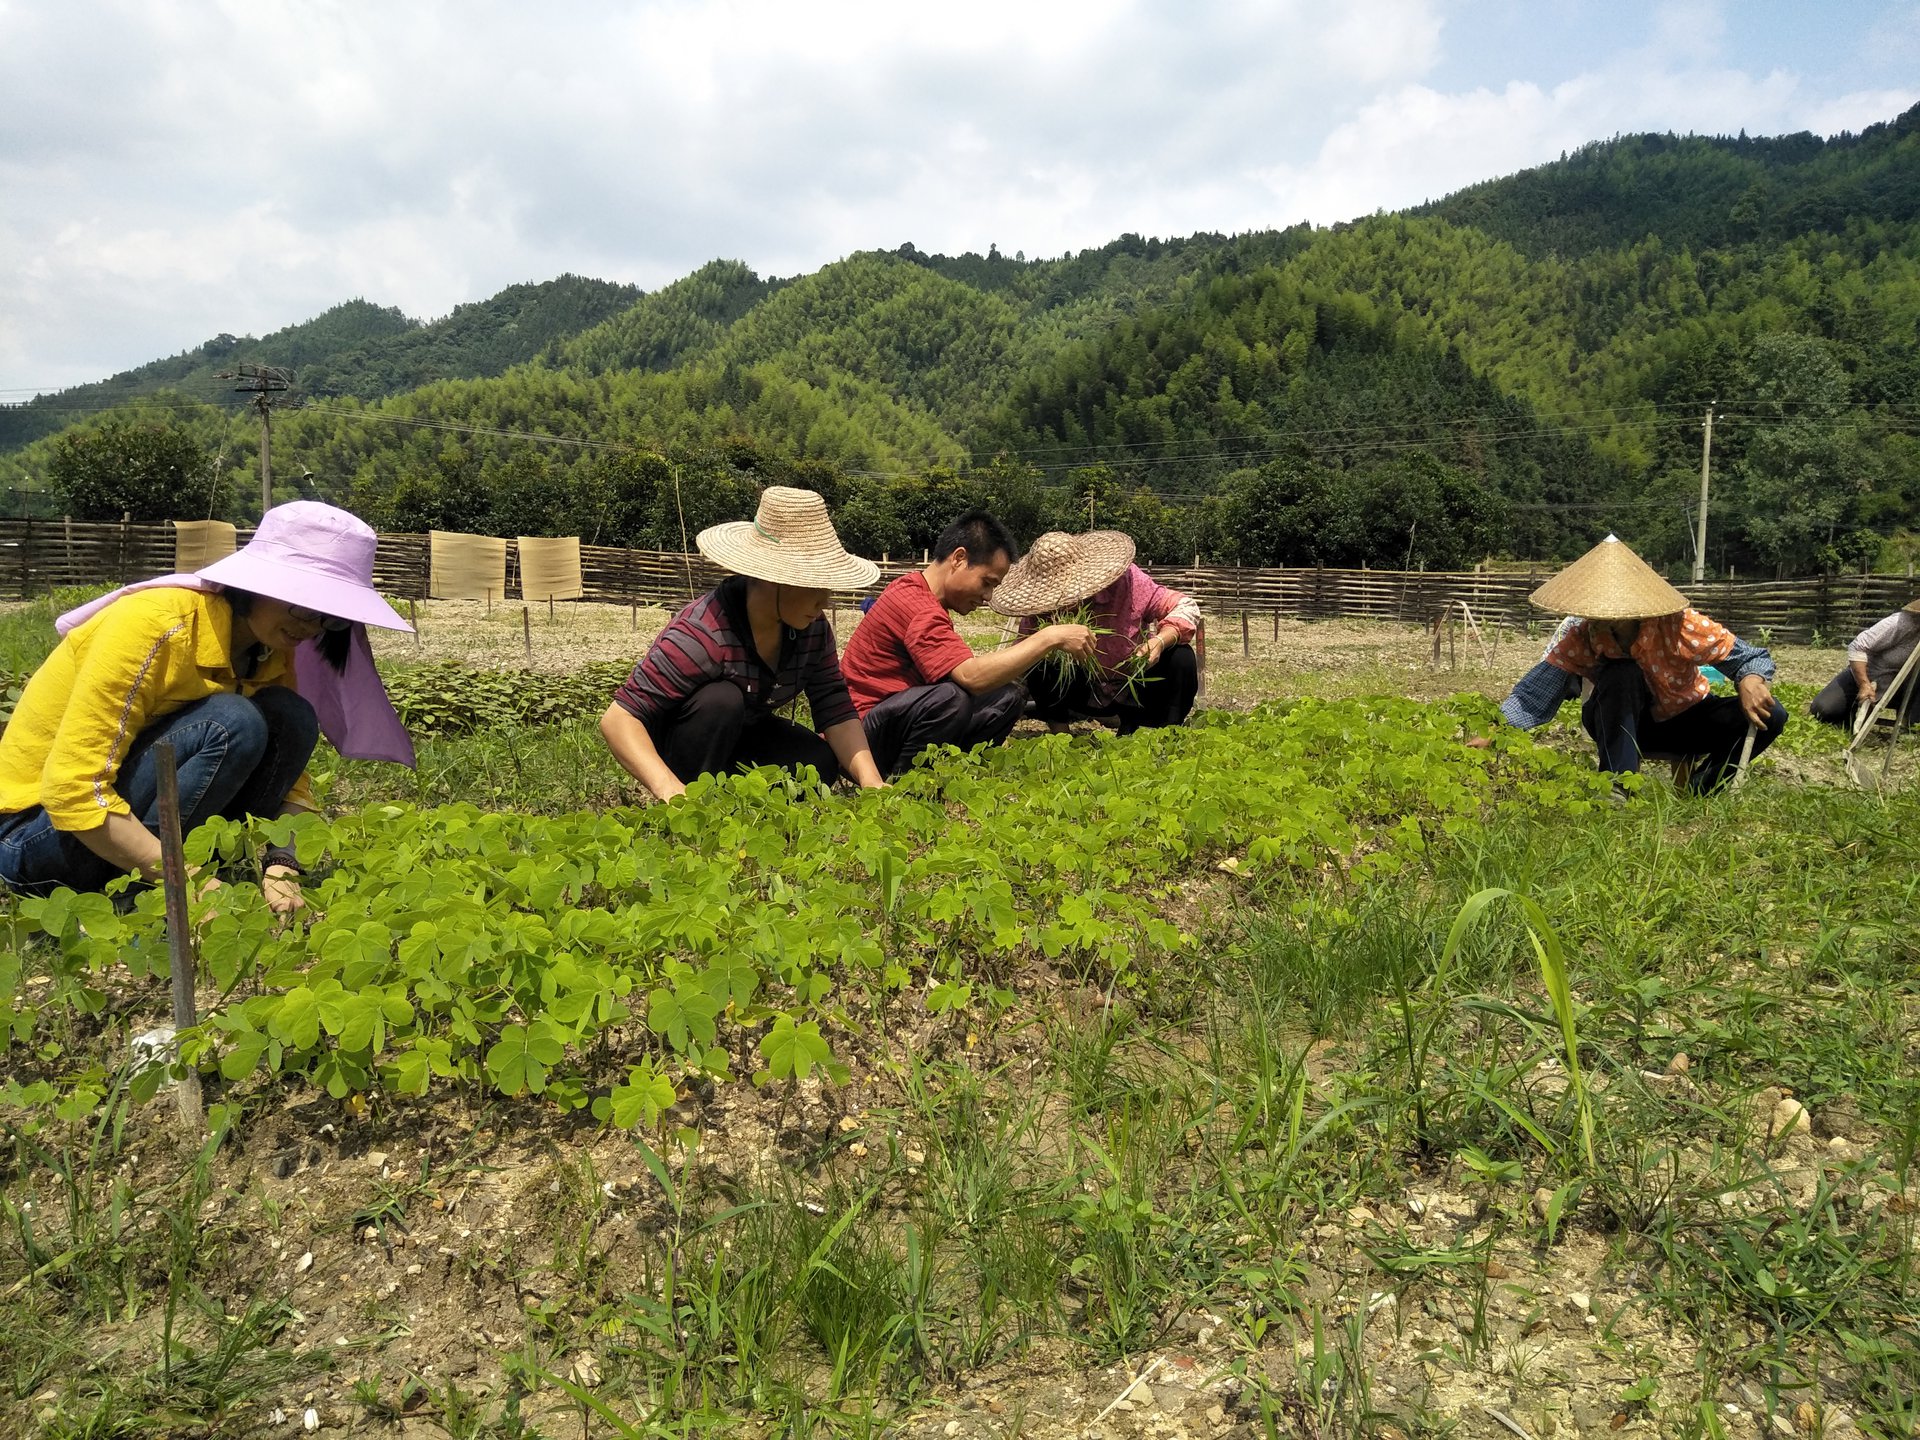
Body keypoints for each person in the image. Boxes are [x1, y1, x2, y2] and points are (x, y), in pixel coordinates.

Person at [0, 502, 417, 911]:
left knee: (292, 715)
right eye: (302, 605)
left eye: (329, 617)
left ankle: (171, 869)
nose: (310, 627)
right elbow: (71, 793)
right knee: (233, 722)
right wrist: (187, 880)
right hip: (34, 838)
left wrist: (283, 861)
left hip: (118, 830)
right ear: (257, 585)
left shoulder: (268, 648)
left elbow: (292, 781)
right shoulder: (154, 624)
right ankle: (142, 891)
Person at [599, 486, 887, 800]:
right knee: (721, 700)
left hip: (743, 736)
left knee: (818, 763)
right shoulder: (702, 633)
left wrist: (872, 783)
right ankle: (694, 802)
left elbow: (835, 709)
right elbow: (619, 720)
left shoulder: (812, 632)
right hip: (682, 746)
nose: (824, 600)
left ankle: (737, 806)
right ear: (775, 577)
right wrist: (669, 789)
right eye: (813, 584)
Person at [1487, 535, 1786, 793]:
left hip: (1687, 719)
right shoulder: (1585, 634)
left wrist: (1750, 679)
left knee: (1771, 715)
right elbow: (1537, 691)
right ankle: (1618, 787)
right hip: (1620, 725)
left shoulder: (1680, 625)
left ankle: (1703, 788)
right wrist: (1495, 730)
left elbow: (1748, 656)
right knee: (1621, 672)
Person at [840, 512, 1096, 776]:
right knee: (950, 698)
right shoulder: (918, 607)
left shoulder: (919, 594)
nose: (987, 596)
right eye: (987, 582)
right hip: (859, 739)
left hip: (889, 723)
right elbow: (970, 677)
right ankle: (907, 783)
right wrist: (1048, 637)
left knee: (1007, 697)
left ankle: (954, 772)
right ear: (959, 559)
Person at [990, 530, 1201, 734]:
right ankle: (1060, 734)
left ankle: (1157, 732)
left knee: (1181, 657)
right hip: (1081, 691)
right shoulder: (1039, 609)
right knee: (1040, 659)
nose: (1065, 604)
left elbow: (1185, 606)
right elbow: (1020, 662)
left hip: (1131, 683)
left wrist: (1160, 641)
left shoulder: (1126, 581)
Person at [1809, 600, 1920, 727]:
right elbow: (1858, 646)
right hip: (1869, 674)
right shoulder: (1901, 623)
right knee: (1824, 710)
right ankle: (1848, 717)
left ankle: (1913, 725)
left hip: (1906, 687)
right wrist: (1864, 684)